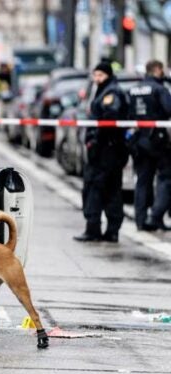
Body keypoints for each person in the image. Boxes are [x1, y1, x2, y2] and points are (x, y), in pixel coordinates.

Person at [73, 62, 129, 242]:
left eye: (101, 76)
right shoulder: (104, 91)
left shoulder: (110, 93)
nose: (97, 79)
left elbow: (109, 119)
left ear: (108, 75)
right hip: (109, 150)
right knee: (109, 189)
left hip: (106, 152)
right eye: (95, 75)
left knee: (96, 188)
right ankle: (109, 231)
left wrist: (95, 141)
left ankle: (95, 229)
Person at [128, 60, 171, 231]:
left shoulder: (133, 89)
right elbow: (169, 109)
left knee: (142, 181)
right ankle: (156, 216)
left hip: (139, 140)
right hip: (158, 140)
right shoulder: (159, 89)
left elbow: (128, 113)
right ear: (158, 70)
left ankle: (140, 219)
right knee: (166, 178)